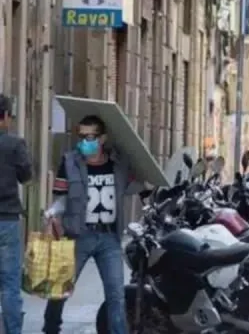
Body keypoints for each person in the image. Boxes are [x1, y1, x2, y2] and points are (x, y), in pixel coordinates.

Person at [43, 115, 145, 334]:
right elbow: (61, 197)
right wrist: (53, 213)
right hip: (79, 236)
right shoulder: (70, 162)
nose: (84, 142)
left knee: (116, 295)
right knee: (60, 290)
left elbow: (137, 186)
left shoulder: (118, 165)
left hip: (109, 238)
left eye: (90, 137)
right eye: (81, 137)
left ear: (102, 139)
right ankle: (50, 329)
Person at [0, 95, 33, 334]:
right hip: (7, 220)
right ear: (5, 117)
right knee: (10, 283)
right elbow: (26, 176)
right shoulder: (14, 144)